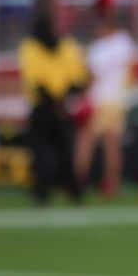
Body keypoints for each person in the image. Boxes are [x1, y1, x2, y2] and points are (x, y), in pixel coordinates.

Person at [18, 14, 88, 205]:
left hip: (45, 107)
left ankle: (45, 192)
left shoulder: (31, 49)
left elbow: (35, 79)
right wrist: (63, 98)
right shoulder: (66, 47)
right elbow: (78, 78)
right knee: (62, 151)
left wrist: (56, 98)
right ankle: (70, 191)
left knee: (45, 152)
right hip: (57, 108)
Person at [76, 11, 134, 197]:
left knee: (86, 141)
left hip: (98, 100)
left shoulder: (98, 49)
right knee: (113, 145)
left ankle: (79, 180)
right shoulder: (125, 43)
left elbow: (91, 76)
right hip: (117, 100)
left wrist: (82, 96)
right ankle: (112, 185)